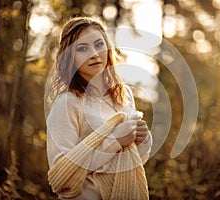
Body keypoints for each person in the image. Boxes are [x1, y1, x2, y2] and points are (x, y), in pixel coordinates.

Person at [44, 16, 152, 200]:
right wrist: (115, 141)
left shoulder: (123, 94)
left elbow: (131, 162)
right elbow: (62, 179)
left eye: (99, 44)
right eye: (82, 48)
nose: (94, 54)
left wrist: (143, 140)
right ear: (69, 56)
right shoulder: (67, 103)